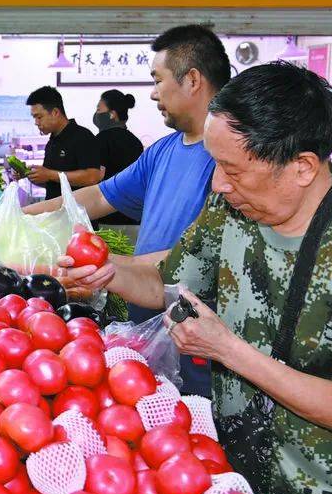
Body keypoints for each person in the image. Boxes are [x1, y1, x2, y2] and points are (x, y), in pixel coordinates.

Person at [65, 61, 332, 494]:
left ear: (302, 166)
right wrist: (111, 273)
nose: (218, 184)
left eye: (233, 169)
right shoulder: (232, 210)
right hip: (233, 488)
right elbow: (168, 281)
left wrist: (228, 350)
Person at [25, 25, 231, 397]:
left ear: (193, 80)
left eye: (158, 79)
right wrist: (29, 213)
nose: (152, 93)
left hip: (197, 345)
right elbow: (98, 196)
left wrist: (110, 267)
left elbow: (204, 258)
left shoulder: (231, 162)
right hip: (147, 335)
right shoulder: (163, 151)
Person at [25, 86, 102, 200]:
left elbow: (92, 177)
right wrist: (32, 176)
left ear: (55, 112)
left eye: (39, 117)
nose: (36, 123)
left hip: (77, 213)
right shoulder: (52, 142)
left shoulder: (82, 136)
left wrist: (49, 174)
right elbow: (52, 182)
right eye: (34, 118)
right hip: (55, 212)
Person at [94, 89, 144, 225]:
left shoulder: (100, 140)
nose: (96, 114)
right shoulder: (135, 142)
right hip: (133, 216)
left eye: (98, 109)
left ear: (112, 114)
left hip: (107, 215)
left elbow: (95, 176)